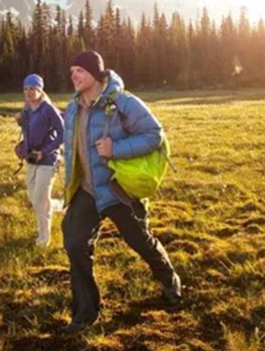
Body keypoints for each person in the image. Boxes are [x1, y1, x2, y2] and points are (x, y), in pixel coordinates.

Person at [59, 50, 182, 333]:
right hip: (88, 190)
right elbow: (73, 151)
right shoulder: (74, 107)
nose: (73, 76)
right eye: (71, 72)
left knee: (140, 240)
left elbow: (154, 135)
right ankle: (85, 314)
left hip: (118, 189)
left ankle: (169, 280)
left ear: (95, 73)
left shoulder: (123, 102)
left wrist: (117, 149)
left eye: (79, 70)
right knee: (76, 244)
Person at [14, 74, 64, 247]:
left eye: (32, 89)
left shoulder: (48, 109)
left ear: (40, 89)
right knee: (35, 198)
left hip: (47, 161)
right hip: (31, 160)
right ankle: (61, 205)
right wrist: (20, 123)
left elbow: (63, 133)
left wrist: (45, 151)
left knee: (39, 201)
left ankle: (43, 239)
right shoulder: (27, 108)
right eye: (26, 89)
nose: (28, 92)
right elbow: (30, 131)